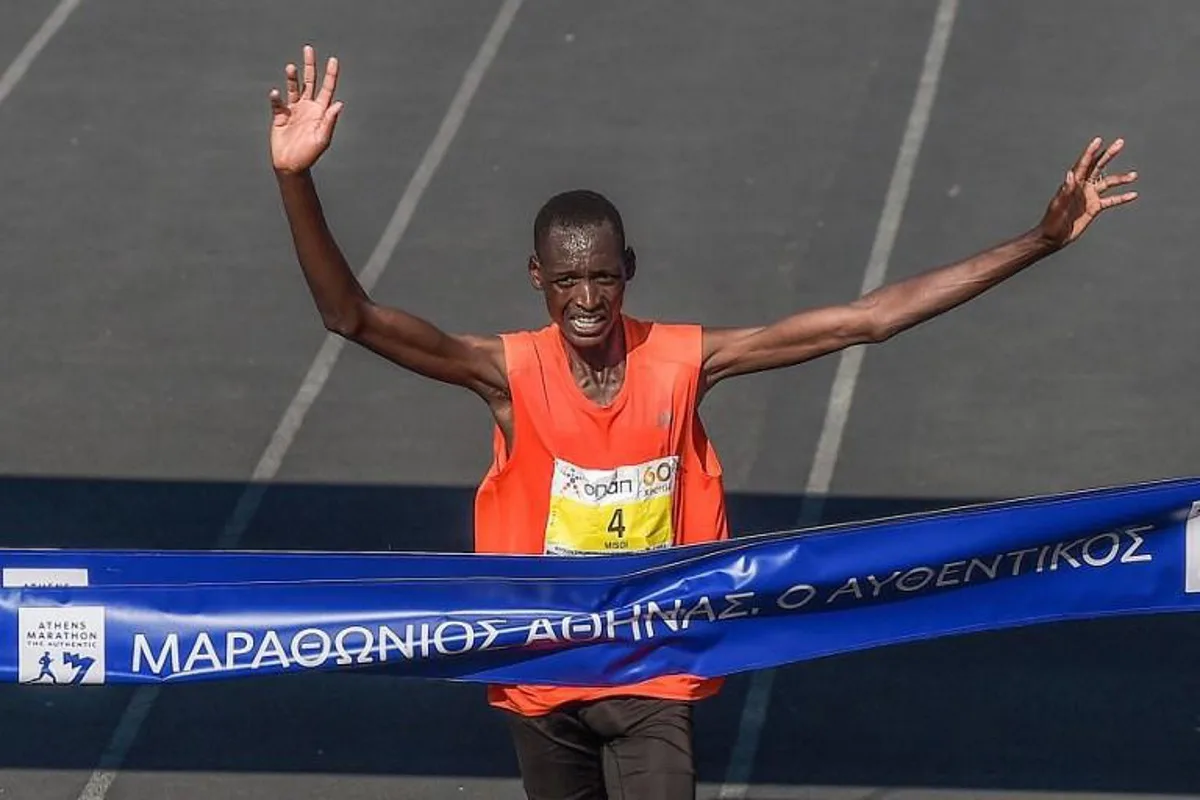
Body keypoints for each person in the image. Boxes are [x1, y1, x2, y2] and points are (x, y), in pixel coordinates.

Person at [267, 45, 1139, 800]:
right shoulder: (508, 374)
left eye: (602, 279)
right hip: (542, 667)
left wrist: (1039, 240)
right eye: (567, 282)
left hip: (655, 664)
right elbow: (354, 316)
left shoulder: (683, 361)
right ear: (536, 277)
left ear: (628, 271)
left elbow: (864, 319)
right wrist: (295, 177)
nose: (585, 301)